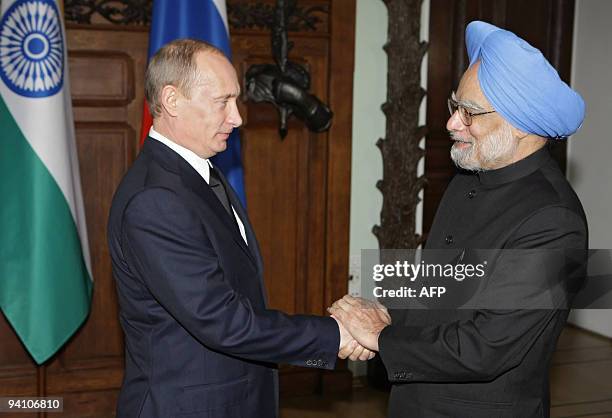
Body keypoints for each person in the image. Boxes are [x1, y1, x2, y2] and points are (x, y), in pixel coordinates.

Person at [330, 21, 588, 418]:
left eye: (469, 113)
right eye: (456, 106)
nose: (452, 124)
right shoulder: (469, 177)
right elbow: (441, 291)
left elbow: (487, 347)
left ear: (520, 123)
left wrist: (382, 337)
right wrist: (385, 315)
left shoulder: (552, 221)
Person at [107, 38, 371, 418]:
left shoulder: (198, 172)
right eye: (222, 102)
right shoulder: (155, 199)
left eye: (236, 100)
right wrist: (337, 335)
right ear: (172, 100)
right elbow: (222, 319)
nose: (238, 117)